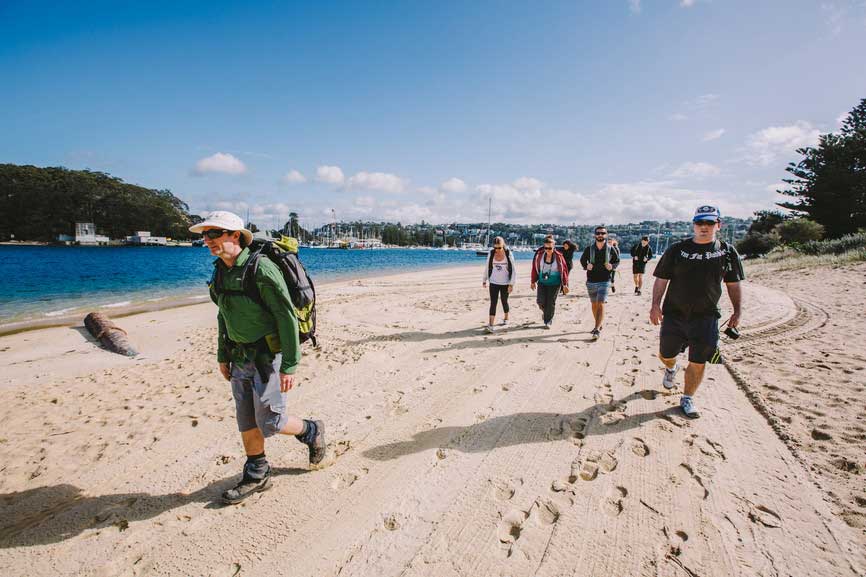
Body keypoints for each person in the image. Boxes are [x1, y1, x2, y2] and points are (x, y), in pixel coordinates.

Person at [190, 211, 327, 504]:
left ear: (235, 236)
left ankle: (311, 429)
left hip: (269, 356)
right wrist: (222, 354)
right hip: (239, 356)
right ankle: (257, 473)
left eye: (214, 233)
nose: (207, 240)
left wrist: (290, 364)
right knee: (246, 418)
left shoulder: (261, 268)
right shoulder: (220, 271)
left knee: (271, 422)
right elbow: (223, 313)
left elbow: (286, 316)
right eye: (205, 235)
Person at [649, 205, 744, 419]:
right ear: (693, 225)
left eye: (709, 223)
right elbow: (661, 279)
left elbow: (733, 284)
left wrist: (738, 311)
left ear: (718, 225)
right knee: (666, 354)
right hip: (674, 314)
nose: (704, 227)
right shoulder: (677, 249)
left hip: (706, 316)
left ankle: (687, 397)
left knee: (698, 360)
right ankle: (671, 368)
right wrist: (655, 305)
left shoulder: (726, 251)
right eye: (700, 223)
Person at [579, 226, 620, 339]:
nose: (600, 235)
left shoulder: (611, 249)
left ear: (606, 235)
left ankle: (596, 329)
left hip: (605, 280)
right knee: (594, 304)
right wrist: (586, 266)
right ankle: (599, 323)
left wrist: (612, 266)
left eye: (603, 233)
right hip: (591, 280)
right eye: (598, 233)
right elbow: (582, 260)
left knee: (601, 303)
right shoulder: (589, 249)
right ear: (595, 235)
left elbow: (617, 261)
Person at [530, 235, 570, 328]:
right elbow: (534, 268)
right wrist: (533, 281)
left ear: (554, 247)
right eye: (546, 248)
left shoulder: (559, 257)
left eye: (550, 248)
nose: (547, 250)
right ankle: (546, 313)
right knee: (540, 302)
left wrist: (565, 285)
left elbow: (564, 271)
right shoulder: (539, 255)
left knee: (550, 302)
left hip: (555, 284)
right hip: (542, 282)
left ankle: (548, 320)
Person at [482, 236, 517, 332]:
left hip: (505, 283)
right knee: (493, 303)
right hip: (493, 281)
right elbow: (487, 266)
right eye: (495, 248)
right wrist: (484, 279)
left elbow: (513, 270)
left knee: (504, 301)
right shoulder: (491, 253)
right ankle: (491, 325)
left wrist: (511, 284)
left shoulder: (508, 254)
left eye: (499, 247)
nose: (497, 250)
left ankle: (506, 318)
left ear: (503, 245)